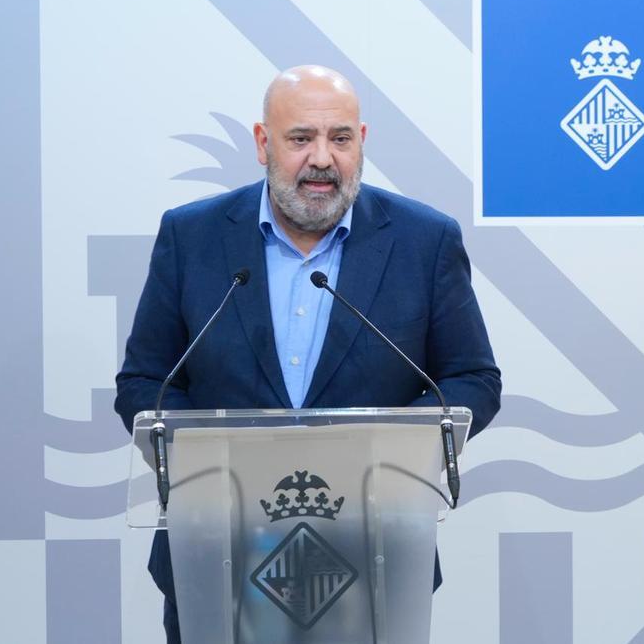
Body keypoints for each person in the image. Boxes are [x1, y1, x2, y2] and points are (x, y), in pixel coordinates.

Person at [114, 65, 501, 643]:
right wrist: (204, 465)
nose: (322, 158)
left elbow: (472, 378)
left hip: (373, 549)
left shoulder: (424, 240)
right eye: (300, 138)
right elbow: (145, 382)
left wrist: (393, 452)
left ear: (361, 142)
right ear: (263, 143)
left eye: (340, 138)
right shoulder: (192, 236)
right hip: (217, 549)